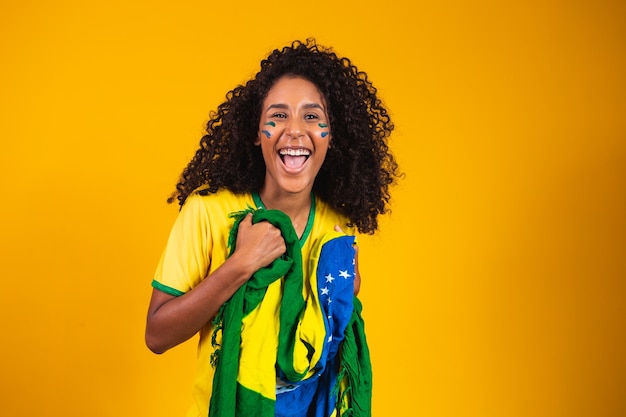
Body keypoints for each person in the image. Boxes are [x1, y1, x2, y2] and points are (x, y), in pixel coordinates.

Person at [145, 39, 399, 417]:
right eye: (278, 116)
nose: (295, 131)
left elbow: (332, 335)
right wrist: (239, 265)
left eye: (312, 117)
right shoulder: (209, 211)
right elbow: (157, 335)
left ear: (333, 135)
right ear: (255, 131)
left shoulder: (337, 225)